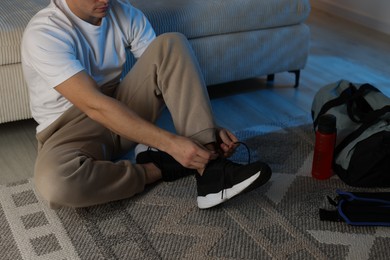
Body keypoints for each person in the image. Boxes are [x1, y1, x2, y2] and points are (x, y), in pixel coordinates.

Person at [21, 0, 272, 209]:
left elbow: (169, 70)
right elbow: (93, 106)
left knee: (170, 44)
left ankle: (213, 171)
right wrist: (171, 145)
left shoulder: (124, 13)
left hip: (121, 106)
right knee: (57, 184)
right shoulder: (45, 32)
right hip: (69, 129)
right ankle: (159, 166)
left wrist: (210, 129)